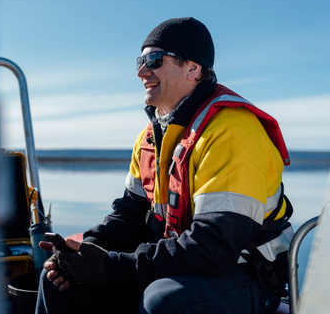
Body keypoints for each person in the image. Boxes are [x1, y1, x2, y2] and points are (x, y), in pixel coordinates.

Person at [36, 17, 294, 314]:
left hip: (248, 277)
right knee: (56, 278)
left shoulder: (233, 132)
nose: (142, 72)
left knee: (164, 299)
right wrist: (79, 253)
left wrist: (110, 266)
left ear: (193, 68)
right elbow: (127, 217)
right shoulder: (150, 138)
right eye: (140, 61)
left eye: (154, 60)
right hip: (183, 263)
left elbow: (214, 249)